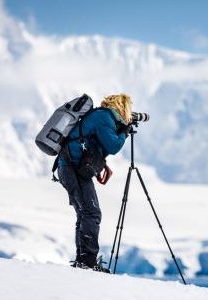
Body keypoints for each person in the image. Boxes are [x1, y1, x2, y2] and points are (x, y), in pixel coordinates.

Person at [57, 93, 132, 271]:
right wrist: (125, 133)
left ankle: (83, 260)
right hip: (71, 168)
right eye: (129, 111)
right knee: (91, 213)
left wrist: (101, 164)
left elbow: (90, 144)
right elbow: (113, 146)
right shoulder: (104, 117)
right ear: (122, 107)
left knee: (85, 213)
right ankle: (87, 263)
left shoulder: (102, 116)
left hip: (70, 168)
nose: (129, 115)